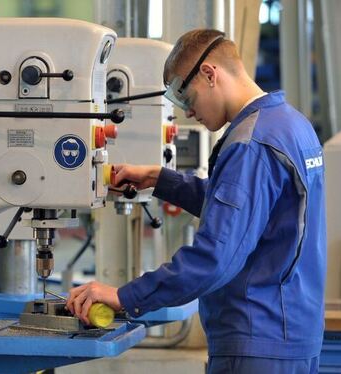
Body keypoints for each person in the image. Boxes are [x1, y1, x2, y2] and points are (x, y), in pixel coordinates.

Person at [66, 29, 326, 373]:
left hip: (256, 341)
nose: (189, 113)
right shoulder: (292, 125)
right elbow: (250, 216)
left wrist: (125, 296)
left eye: (187, 98)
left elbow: (215, 256)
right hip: (294, 334)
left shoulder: (251, 143)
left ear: (209, 73)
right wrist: (162, 180)